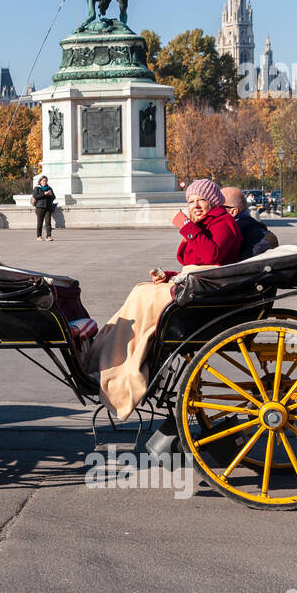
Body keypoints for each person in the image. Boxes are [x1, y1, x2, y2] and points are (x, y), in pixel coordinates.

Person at [85, 179, 241, 419]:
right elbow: (199, 262)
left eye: (201, 200)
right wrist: (169, 276)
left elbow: (212, 255)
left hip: (204, 290)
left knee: (143, 295)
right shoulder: (208, 222)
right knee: (141, 290)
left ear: (214, 201)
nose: (195, 206)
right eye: (190, 201)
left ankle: (122, 368)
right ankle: (108, 357)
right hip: (197, 283)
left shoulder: (223, 222)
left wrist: (187, 226)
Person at [221, 186, 277, 259]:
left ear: (233, 211)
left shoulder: (251, 232)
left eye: (216, 207)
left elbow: (239, 266)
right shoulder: (247, 226)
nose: (213, 210)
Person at [31, 176, 57, 241]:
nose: (44, 182)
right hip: (40, 207)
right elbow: (35, 196)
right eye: (43, 181)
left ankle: (49, 236)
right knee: (40, 222)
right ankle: (39, 236)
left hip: (48, 207)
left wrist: (51, 195)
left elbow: (54, 197)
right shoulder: (37, 188)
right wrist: (44, 194)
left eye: (46, 181)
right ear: (40, 181)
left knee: (48, 222)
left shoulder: (49, 188)